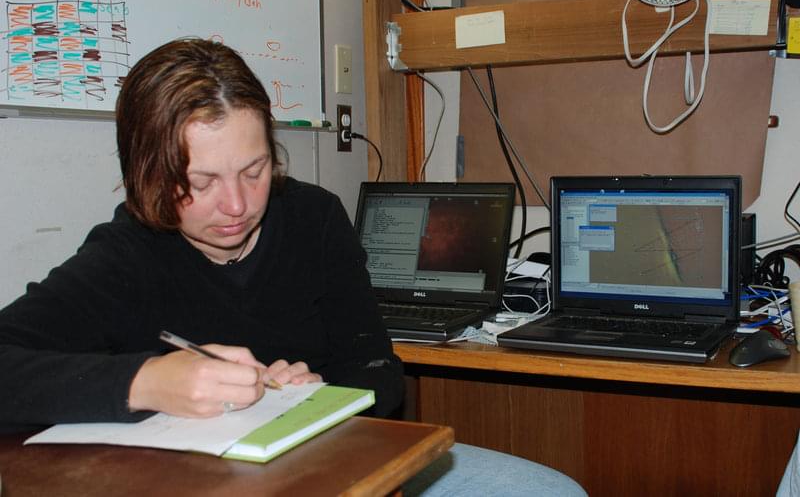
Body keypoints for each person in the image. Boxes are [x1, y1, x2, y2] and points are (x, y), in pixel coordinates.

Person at [0, 38, 585, 496]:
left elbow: (380, 370)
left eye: (254, 171)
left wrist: (321, 398)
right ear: (149, 175)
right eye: (201, 182)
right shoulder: (123, 255)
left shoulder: (313, 218)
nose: (237, 205)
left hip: (336, 462)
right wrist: (148, 382)